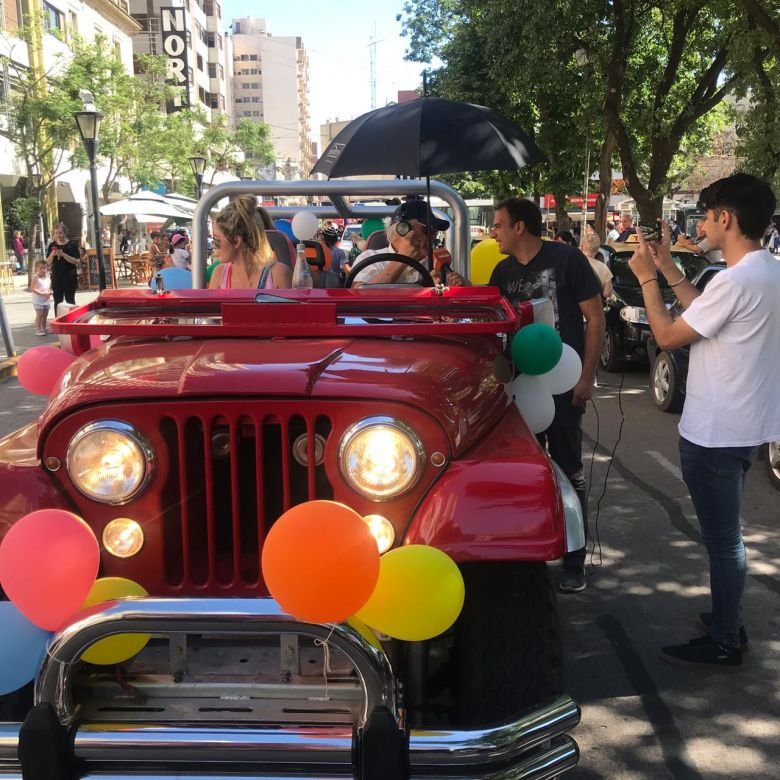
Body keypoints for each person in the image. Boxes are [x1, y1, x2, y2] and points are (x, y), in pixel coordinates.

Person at [627, 173, 779, 670]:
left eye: (708, 216)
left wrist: (647, 278)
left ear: (726, 218)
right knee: (726, 538)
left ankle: (726, 637)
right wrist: (669, 265)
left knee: (723, 541)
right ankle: (725, 619)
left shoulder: (737, 280)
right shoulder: (766, 273)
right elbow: (704, 315)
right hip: (744, 427)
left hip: (715, 432)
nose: (703, 225)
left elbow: (670, 336)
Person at [489, 197, 605, 594]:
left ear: (520, 227)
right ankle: (529, 557)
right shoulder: (500, 272)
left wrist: (586, 378)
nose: (494, 232)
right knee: (523, 476)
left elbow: (595, 319)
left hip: (563, 386)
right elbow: (493, 334)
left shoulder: (568, 259)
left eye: (499, 224)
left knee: (569, 469)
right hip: (520, 393)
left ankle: (575, 559)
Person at [351, 200, 467, 287]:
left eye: (435, 231)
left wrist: (458, 286)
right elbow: (358, 297)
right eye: (427, 230)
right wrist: (402, 259)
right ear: (402, 229)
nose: (433, 236)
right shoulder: (369, 258)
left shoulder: (436, 263)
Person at [209, 194, 292, 290]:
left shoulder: (279, 274)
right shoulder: (219, 274)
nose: (213, 245)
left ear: (236, 241)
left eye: (217, 240)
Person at [47, 222, 80, 314]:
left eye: (60, 233)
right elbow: (47, 263)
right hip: (56, 277)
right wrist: (52, 255)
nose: (58, 235)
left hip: (69, 277)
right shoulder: (52, 245)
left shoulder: (71, 245)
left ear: (65, 233)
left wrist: (63, 254)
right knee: (58, 301)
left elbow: (77, 261)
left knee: (70, 300)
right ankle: (58, 321)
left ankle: (72, 320)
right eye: (56, 233)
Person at [580, 233, 613, 298]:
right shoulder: (604, 268)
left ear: (581, 246)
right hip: (594, 306)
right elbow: (607, 293)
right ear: (597, 249)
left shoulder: (572, 263)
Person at [31, 260, 52, 336]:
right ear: (37, 269)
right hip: (38, 300)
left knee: (45, 315)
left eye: (44, 268)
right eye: (41, 268)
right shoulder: (36, 277)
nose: (43, 270)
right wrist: (42, 294)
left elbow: (48, 287)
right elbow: (33, 289)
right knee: (39, 315)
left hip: (46, 300)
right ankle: (38, 330)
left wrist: (50, 292)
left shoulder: (48, 277)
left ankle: (44, 328)